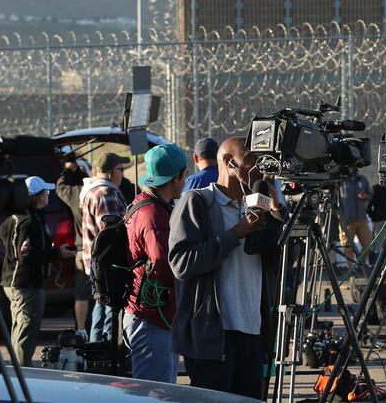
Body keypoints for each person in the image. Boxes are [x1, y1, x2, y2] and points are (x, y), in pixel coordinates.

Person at [169, 137, 283, 399]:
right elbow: (181, 263)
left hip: (253, 333)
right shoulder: (198, 202)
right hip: (214, 338)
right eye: (251, 159)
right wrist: (236, 233)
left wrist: (276, 210)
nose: (258, 168)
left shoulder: (256, 203)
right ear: (230, 162)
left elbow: (283, 259)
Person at [123, 143, 187, 383]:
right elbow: (165, 264)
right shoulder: (154, 214)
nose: (185, 179)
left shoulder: (142, 203)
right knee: (156, 394)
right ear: (174, 179)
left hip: (146, 315)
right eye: (184, 174)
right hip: (151, 319)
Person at [0, 176, 74, 366]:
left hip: (13, 282)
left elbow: (2, 232)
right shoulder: (30, 221)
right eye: (45, 193)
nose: (47, 196)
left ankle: (19, 366)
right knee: (27, 329)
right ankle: (23, 370)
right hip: (27, 284)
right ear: (36, 197)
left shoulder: (15, 217)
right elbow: (29, 255)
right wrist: (58, 252)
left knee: (19, 327)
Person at [80, 152, 130, 342]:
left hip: (98, 264)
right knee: (109, 316)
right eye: (119, 169)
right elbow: (112, 234)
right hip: (108, 265)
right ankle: (104, 360)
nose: (122, 174)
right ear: (110, 173)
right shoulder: (106, 194)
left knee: (100, 312)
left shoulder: (94, 190)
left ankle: (96, 355)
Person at [56, 157, 93, 339]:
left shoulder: (76, 194)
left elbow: (60, 187)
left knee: (82, 293)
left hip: (81, 249)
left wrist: (68, 170)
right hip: (101, 250)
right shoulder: (102, 192)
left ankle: (81, 329)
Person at [338, 170, 373, 267]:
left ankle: (360, 265)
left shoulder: (363, 179)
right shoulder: (341, 181)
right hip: (347, 221)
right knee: (348, 248)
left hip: (362, 219)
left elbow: (370, 195)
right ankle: (351, 271)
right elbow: (335, 200)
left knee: (367, 245)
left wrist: (366, 196)